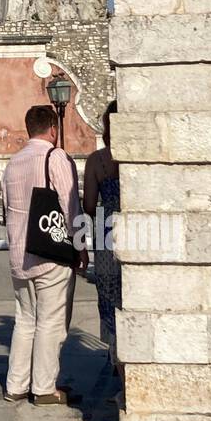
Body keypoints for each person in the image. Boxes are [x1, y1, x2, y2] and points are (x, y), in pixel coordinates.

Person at [1, 105, 85, 405]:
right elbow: (70, 203)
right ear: (53, 128)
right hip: (51, 253)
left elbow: (7, 207)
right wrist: (79, 245)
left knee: (25, 320)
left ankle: (16, 386)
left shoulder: (12, 163)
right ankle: (44, 388)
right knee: (51, 322)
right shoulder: (55, 156)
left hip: (19, 255)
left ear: (28, 129)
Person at [83, 100, 121, 366]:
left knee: (109, 292)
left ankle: (114, 351)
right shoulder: (138, 155)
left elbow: (88, 205)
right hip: (142, 228)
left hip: (106, 229)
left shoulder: (98, 161)